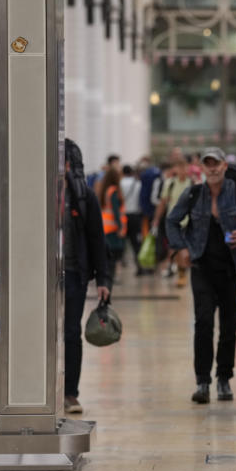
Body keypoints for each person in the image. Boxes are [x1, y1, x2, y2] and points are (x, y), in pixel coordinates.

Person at [166, 147, 236, 404]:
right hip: (201, 268)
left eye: (215, 163)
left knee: (229, 325)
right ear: (202, 167)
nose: (211, 168)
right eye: (207, 163)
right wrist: (181, 247)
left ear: (223, 166)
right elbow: (172, 221)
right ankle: (202, 380)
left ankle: (223, 378)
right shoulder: (193, 193)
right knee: (203, 323)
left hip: (232, 268)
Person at [63, 139, 111, 414]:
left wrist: (103, 279)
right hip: (40, 275)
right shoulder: (38, 192)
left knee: (71, 332)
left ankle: (70, 392)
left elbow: (96, 237)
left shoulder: (83, 195)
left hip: (73, 272)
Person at [154, 159, 193, 287]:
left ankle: (182, 273)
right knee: (174, 249)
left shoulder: (192, 183)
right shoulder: (169, 183)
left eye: (184, 167)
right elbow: (162, 202)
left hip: (188, 222)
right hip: (173, 222)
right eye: (179, 167)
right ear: (175, 169)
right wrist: (156, 219)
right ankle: (181, 272)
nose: (182, 171)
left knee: (185, 249)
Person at [97, 168, 127, 283]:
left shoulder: (105, 191)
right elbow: (116, 211)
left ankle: (107, 277)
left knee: (108, 256)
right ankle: (111, 277)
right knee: (114, 256)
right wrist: (120, 227)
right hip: (113, 228)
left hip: (106, 228)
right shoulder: (113, 191)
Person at [120, 165, 145, 275]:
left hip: (123, 216)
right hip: (135, 215)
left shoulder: (119, 183)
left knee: (122, 241)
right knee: (136, 243)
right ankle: (139, 266)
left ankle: (120, 264)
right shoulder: (138, 184)